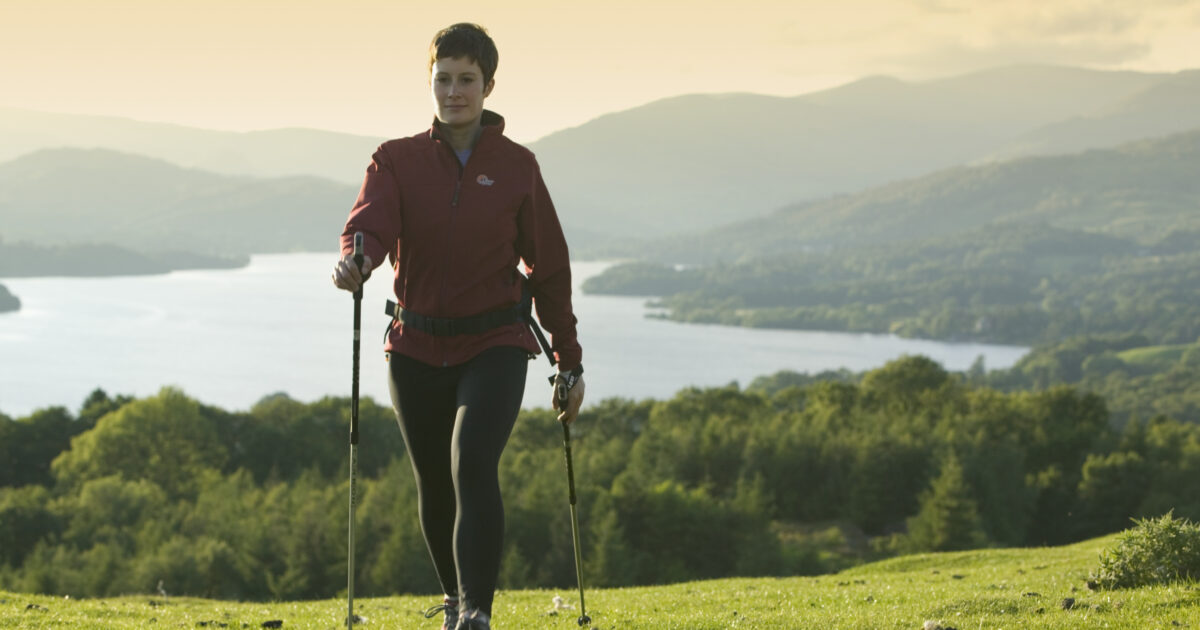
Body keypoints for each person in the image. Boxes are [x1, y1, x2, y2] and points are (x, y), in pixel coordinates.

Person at [331, 22, 585, 630]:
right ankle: (453, 599)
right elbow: (371, 222)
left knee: (471, 460)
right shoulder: (395, 159)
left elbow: (548, 267)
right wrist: (359, 257)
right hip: (414, 344)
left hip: (495, 341)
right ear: (431, 83)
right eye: (443, 79)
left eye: (466, 79)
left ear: (488, 84)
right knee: (435, 483)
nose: (453, 92)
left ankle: (477, 613)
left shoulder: (518, 166)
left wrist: (568, 361)